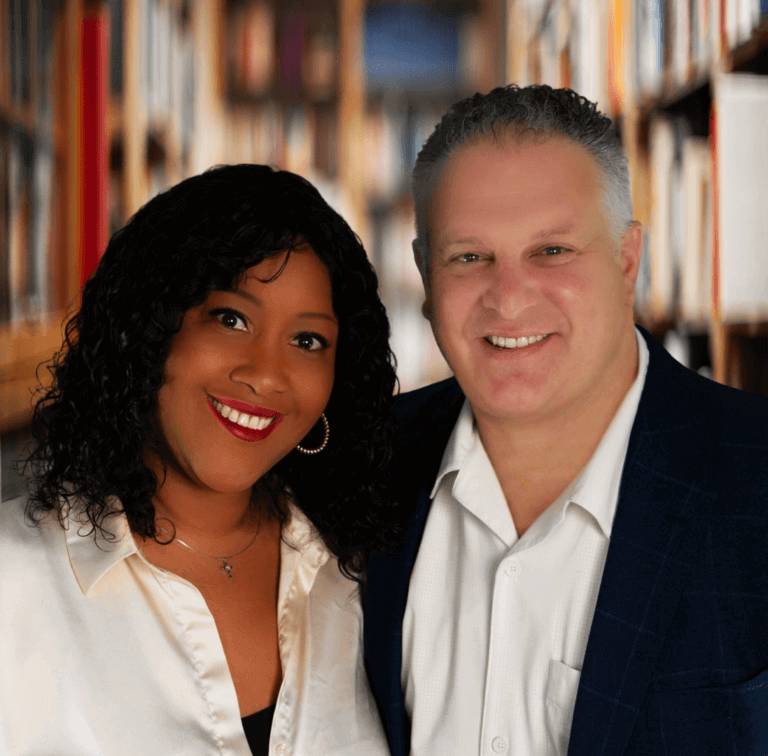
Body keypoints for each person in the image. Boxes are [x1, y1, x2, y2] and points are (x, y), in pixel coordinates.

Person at [364, 84, 768, 756]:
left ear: (627, 259)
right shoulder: (361, 464)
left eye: (552, 251)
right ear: (425, 280)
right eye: (469, 256)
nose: (510, 299)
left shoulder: (756, 474)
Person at [0, 164, 398, 755]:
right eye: (230, 318)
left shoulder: (359, 578)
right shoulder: (14, 578)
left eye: (308, 340)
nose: (265, 373)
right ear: (150, 328)